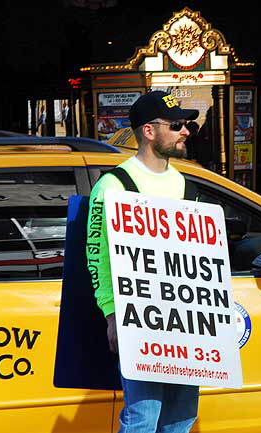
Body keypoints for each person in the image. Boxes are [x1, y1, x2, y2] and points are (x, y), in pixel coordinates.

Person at [86, 90, 199, 433]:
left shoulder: (184, 184)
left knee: (182, 417)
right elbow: (97, 254)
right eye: (177, 124)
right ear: (149, 132)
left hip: (185, 319)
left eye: (187, 124)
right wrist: (112, 315)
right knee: (143, 418)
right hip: (139, 319)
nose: (186, 131)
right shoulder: (114, 185)